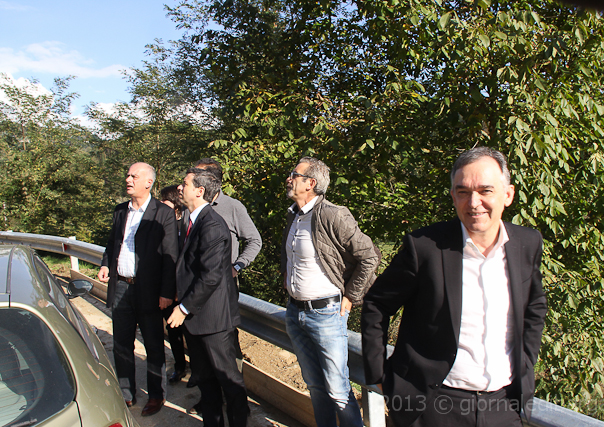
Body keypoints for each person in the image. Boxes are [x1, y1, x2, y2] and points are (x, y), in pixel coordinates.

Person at [361, 147, 547, 427]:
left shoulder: (527, 244)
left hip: (503, 406)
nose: (474, 202)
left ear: (508, 194)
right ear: (453, 196)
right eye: (463, 192)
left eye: (485, 191)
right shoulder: (425, 248)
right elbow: (377, 304)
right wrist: (377, 374)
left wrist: (526, 364)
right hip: (433, 406)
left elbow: (535, 305)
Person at [282, 157, 381, 427]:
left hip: (326, 314)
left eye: (294, 174)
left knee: (337, 391)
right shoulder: (293, 214)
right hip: (295, 312)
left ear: (311, 183)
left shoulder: (333, 214)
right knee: (315, 386)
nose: (289, 179)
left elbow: (369, 256)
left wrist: (350, 297)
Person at [167, 167, 249, 427]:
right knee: (206, 381)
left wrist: (183, 308)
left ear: (199, 191)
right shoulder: (192, 221)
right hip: (197, 319)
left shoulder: (212, 224)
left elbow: (211, 276)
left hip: (213, 320)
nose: (180, 187)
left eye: (185, 183)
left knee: (229, 382)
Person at [98, 162, 178, 416]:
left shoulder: (162, 213)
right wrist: (105, 264)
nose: (128, 179)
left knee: (153, 345)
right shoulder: (120, 210)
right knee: (121, 344)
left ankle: (156, 395)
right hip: (121, 286)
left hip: (150, 290)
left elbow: (170, 255)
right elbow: (112, 243)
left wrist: (166, 292)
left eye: (134, 176)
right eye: (128, 175)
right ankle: (126, 393)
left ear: (148, 183)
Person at [194, 158, 262, 279]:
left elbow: (255, 241)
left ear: (210, 180)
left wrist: (237, 266)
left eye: (196, 177)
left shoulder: (232, 206)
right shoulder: (187, 207)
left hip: (222, 282)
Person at [159, 185, 189, 384]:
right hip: (166, 289)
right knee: (173, 331)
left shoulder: (185, 226)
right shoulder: (160, 225)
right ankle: (180, 366)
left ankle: (197, 370)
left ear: (176, 208)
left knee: (190, 333)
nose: (161, 206)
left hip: (183, 290)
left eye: (165, 202)